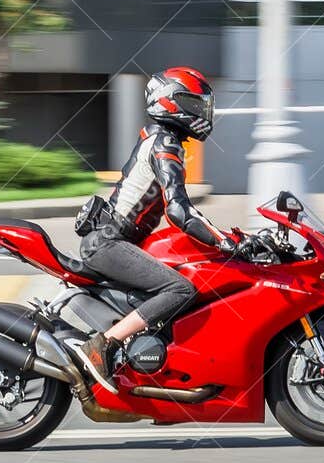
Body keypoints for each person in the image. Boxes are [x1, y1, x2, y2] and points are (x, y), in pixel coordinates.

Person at [67, 66, 242, 392]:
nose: (202, 111)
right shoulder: (165, 145)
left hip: (112, 238)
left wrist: (222, 237)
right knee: (180, 290)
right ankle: (102, 345)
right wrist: (225, 242)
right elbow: (179, 210)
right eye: (194, 103)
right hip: (109, 242)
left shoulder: (161, 140)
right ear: (172, 103)